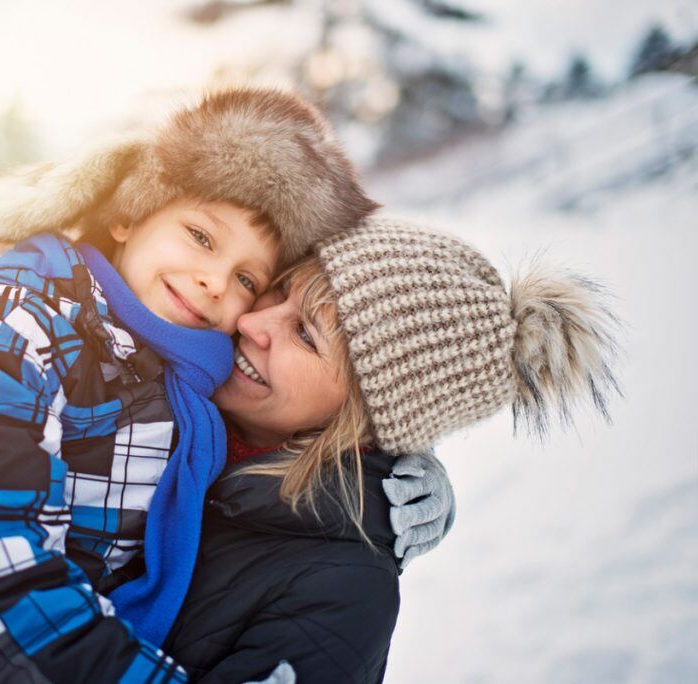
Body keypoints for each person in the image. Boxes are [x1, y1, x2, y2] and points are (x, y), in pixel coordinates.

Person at [0, 88, 450, 683]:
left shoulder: (182, 376)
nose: (214, 284)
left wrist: (386, 472)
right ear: (129, 213)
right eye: (200, 237)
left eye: (248, 281)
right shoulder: (24, 322)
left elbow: (296, 442)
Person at [165, 216, 622, 683]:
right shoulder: (170, 383)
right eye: (278, 291)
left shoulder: (344, 594)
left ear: (364, 420)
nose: (250, 320)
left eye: (305, 333)